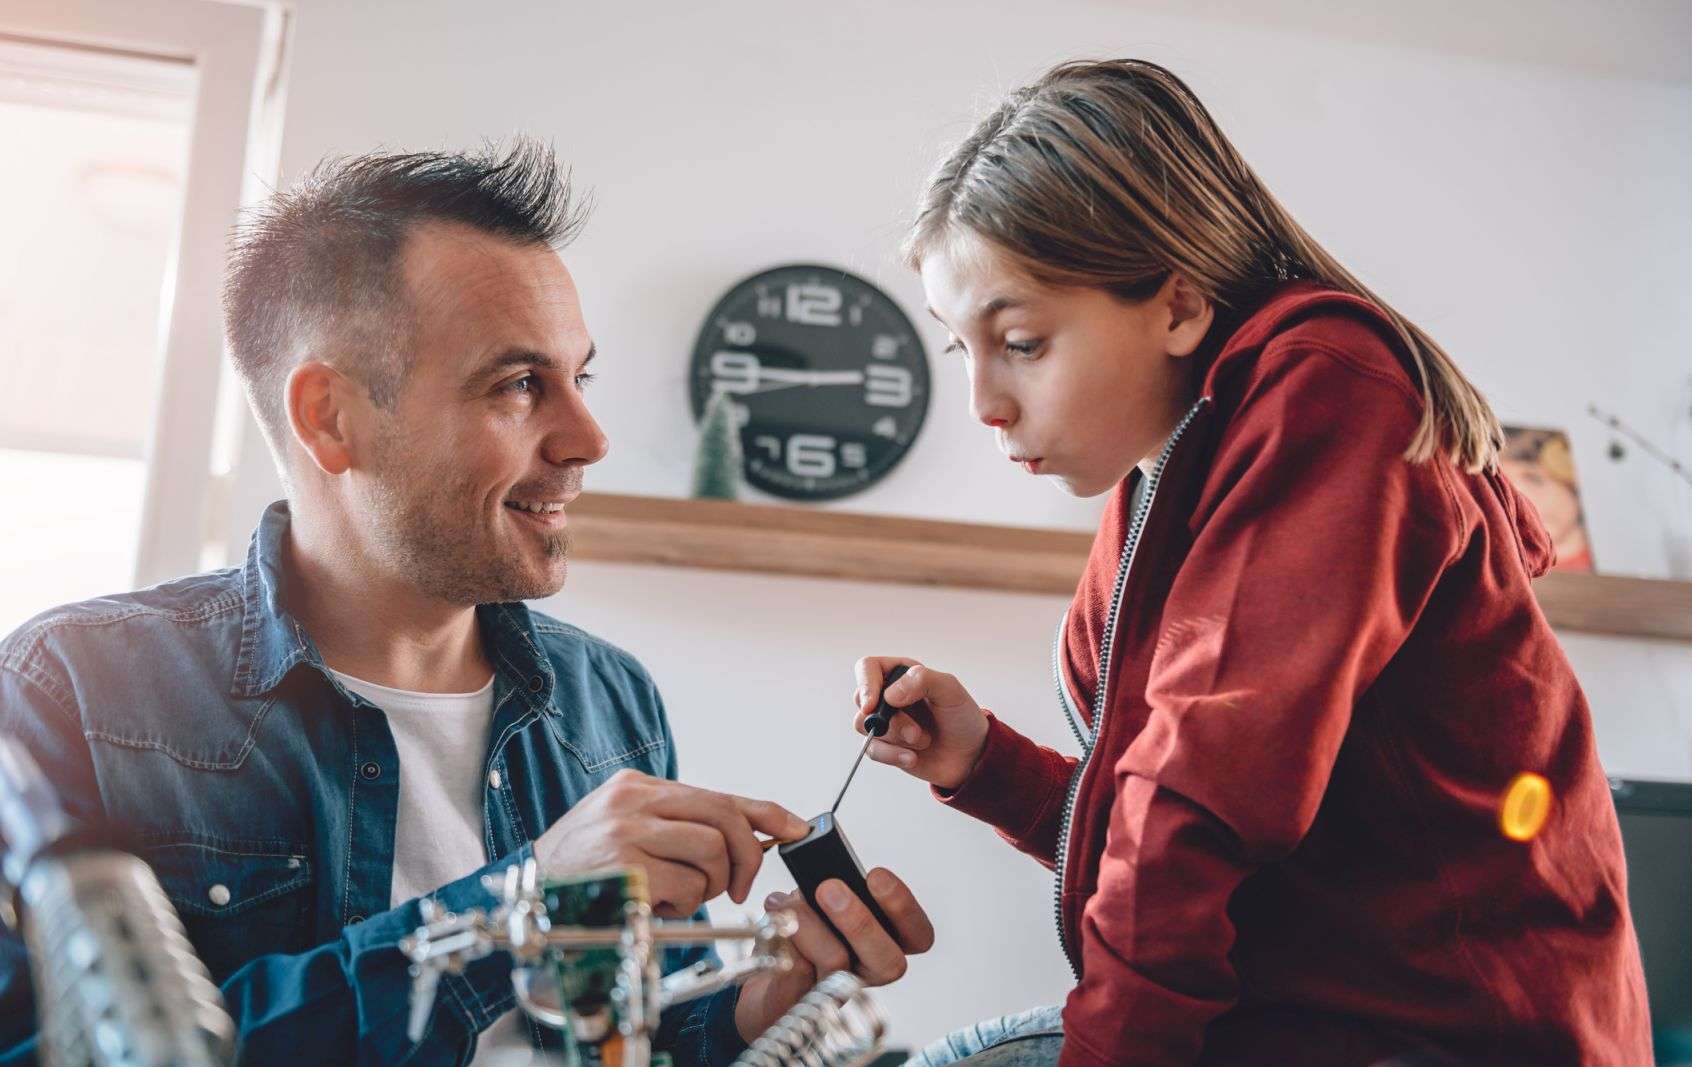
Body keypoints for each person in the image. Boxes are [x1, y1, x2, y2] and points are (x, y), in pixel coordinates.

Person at [0, 140, 932, 1066]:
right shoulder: (75, 692)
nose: (589, 437)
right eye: (520, 384)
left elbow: (595, 1042)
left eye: (581, 377)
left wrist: (746, 1013)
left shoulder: (609, 705)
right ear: (330, 416)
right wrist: (515, 907)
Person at [850, 59, 1649, 1066]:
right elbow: (1163, 835)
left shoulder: (1330, 395)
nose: (984, 403)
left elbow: (1194, 812)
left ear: (1178, 306)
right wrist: (986, 765)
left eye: (1021, 340)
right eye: (959, 349)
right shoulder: (1165, 475)